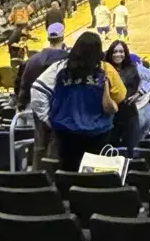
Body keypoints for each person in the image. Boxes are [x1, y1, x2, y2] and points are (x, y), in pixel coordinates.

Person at [30, 31, 126, 171]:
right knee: (94, 177)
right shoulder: (104, 68)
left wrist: (47, 117)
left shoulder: (61, 67)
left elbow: (37, 90)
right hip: (98, 131)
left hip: (66, 130)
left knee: (68, 173)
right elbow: (121, 96)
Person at [17, 22, 68, 168]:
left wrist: (21, 104)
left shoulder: (33, 60)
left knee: (40, 145)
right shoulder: (68, 59)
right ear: (62, 37)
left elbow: (25, 85)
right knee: (59, 147)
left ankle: (37, 178)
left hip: (38, 109)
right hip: (62, 110)